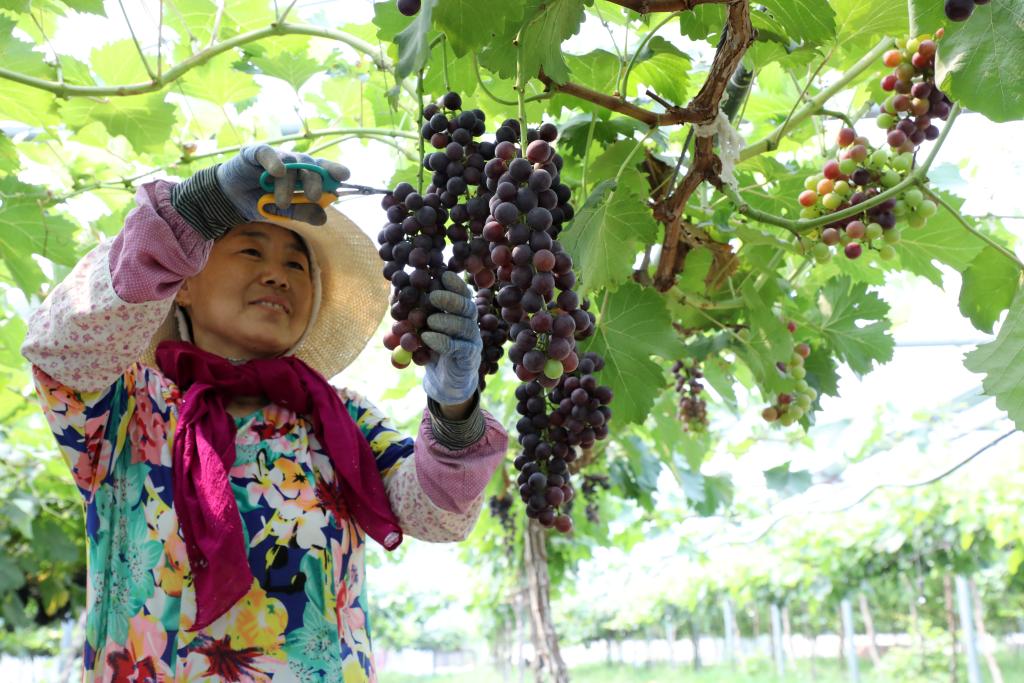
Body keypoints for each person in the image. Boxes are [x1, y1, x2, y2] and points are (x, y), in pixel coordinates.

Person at [21, 145, 508, 683]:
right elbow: (63, 348)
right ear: (184, 284)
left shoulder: (341, 419)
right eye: (251, 251)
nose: (277, 275)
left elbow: (437, 515)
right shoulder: (129, 406)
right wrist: (195, 209)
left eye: (296, 264)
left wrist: (455, 412)